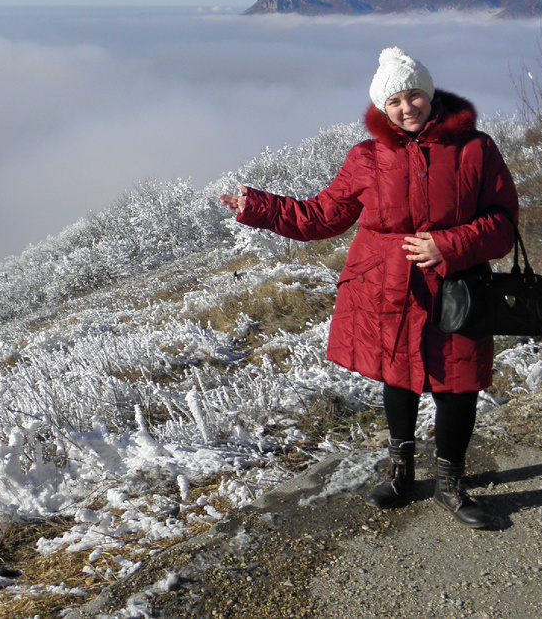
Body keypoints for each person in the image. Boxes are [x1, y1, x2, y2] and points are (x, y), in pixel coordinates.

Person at [218, 47, 517, 528]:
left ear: (430, 94)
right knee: (398, 380)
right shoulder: (367, 157)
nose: (407, 107)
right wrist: (259, 208)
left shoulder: (476, 149)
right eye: (394, 101)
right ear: (383, 107)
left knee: (458, 387)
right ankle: (401, 473)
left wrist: (448, 244)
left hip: (458, 289)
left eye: (413, 95)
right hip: (388, 290)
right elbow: (321, 216)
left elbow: (503, 223)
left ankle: (451, 484)